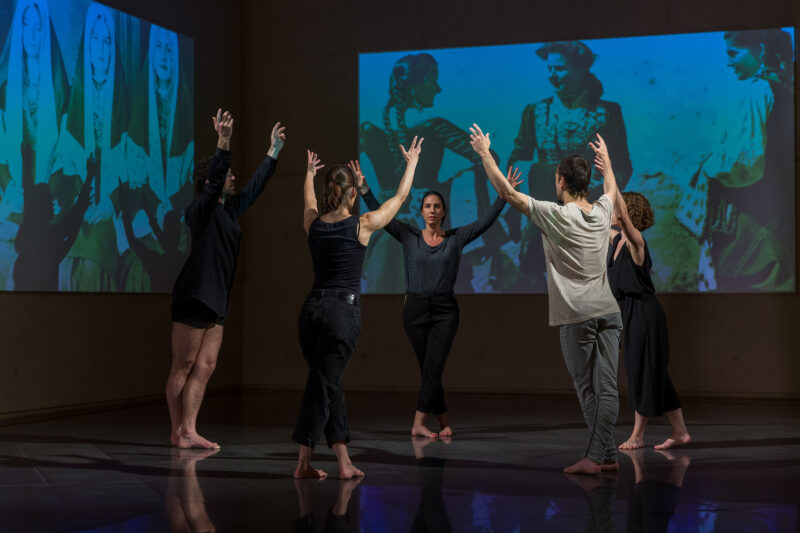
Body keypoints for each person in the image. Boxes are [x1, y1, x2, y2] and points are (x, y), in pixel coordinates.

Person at [470, 124, 621, 475]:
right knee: (607, 387)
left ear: (561, 183)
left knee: (589, 391)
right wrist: (608, 162)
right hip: (609, 312)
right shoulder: (601, 213)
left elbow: (507, 193)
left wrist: (483, 153)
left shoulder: (557, 215)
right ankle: (608, 453)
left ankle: (595, 458)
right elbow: (611, 189)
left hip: (576, 316)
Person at [355, 160, 518, 437]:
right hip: (414, 310)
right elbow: (381, 216)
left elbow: (485, 222)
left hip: (445, 312)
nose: (432, 210)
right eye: (427, 206)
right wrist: (365, 190)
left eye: (437, 206)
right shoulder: (408, 236)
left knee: (433, 365)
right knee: (428, 368)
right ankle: (443, 422)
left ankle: (418, 424)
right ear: (421, 212)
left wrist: (504, 197)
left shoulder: (455, 238)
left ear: (444, 212)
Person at [293, 137, 423, 479]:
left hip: (310, 313)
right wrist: (411, 163)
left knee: (327, 383)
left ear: (328, 193)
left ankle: (344, 462)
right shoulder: (361, 225)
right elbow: (400, 199)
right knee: (322, 386)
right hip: (340, 315)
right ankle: (303, 463)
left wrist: (308, 173)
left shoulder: (314, 225)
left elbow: (307, 201)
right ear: (353, 194)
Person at [167, 110, 286, 448]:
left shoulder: (229, 211)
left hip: (217, 297)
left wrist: (273, 151)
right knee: (184, 364)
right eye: (228, 175)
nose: (233, 178)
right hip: (193, 294)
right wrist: (223, 142)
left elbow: (255, 188)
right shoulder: (199, 212)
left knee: (205, 366)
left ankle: (189, 430)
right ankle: (178, 431)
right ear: (211, 183)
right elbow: (218, 176)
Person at [359, 53, 500, 293]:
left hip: (387, 227)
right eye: (432, 80)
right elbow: (489, 158)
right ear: (414, 85)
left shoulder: (369, 128)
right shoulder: (433, 126)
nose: (438, 89)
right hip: (425, 232)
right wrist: (445, 188)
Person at [505, 40, 632, 292]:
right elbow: (517, 159)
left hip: (588, 218)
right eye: (549, 69)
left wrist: (594, 202)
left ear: (581, 70)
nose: (552, 75)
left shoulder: (607, 112)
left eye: (560, 69)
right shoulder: (535, 111)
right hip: (544, 219)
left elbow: (622, 167)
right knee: (537, 287)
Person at [595, 146, 690, 450]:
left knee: (641, 371)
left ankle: (637, 435)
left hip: (644, 313)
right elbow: (611, 199)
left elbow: (619, 206)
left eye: (616, 211)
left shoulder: (636, 244)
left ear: (625, 215)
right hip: (628, 312)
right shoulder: (615, 242)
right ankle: (680, 432)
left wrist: (610, 164)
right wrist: (605, 178)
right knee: (654, 372)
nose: (609, 211)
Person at [692, 29, 794, 292]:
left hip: (751, 212)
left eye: (733, 53)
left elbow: (741, 165)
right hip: (777, 202)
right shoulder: (781, 88)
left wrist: (708, 168)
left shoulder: (756, 92)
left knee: (743, 278)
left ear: (759, 49)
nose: (728, 62)